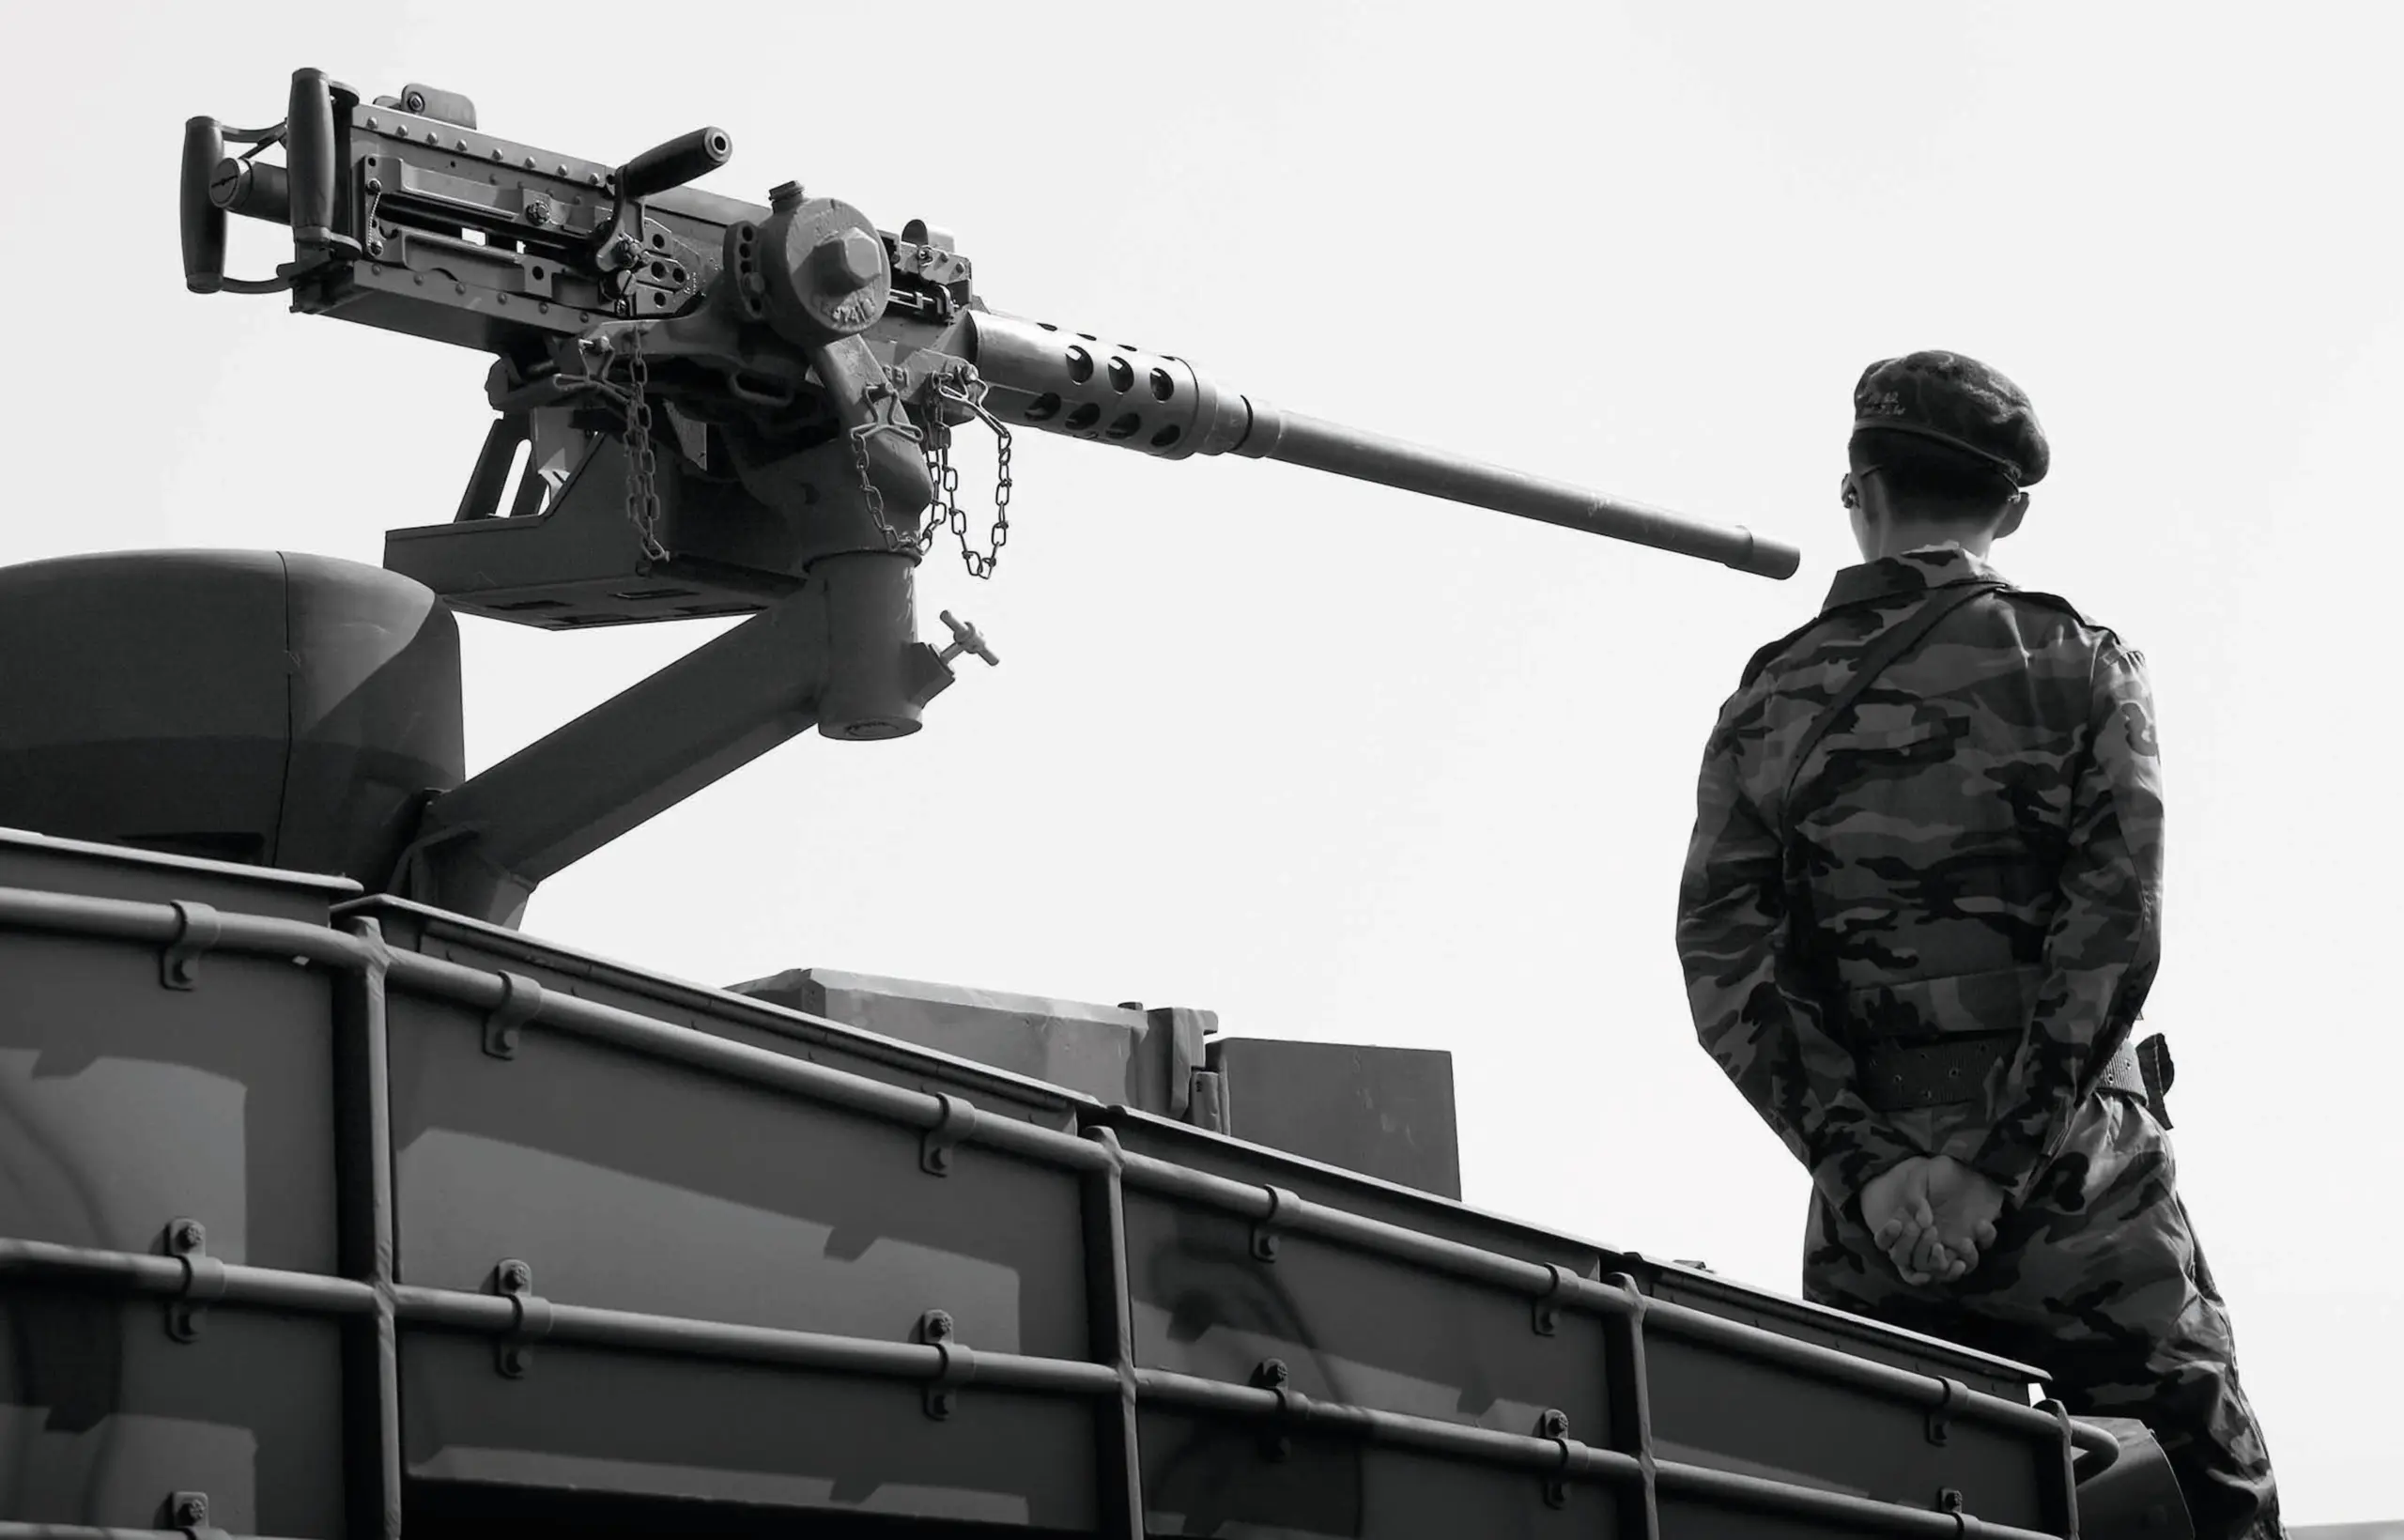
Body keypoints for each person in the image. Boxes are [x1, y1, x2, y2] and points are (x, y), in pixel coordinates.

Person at [1673, 350, 2283, 1539]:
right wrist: (1998, 1163)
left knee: (1897, 1511)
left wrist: (1872, 1170)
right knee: (2209, 1502)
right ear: (2010, 507)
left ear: (1857, 492)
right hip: (2085, 1204)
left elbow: (1728, 966)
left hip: (1877, 1235)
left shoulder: (1766, 704)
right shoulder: (2081, 668)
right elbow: (2114, 935)